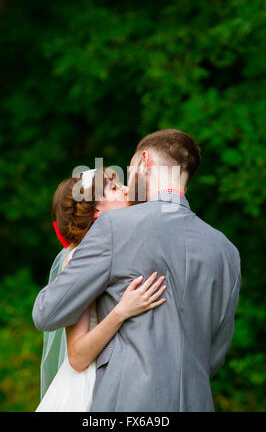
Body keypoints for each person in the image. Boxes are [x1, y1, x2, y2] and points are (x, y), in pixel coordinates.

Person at [33, 129, 241, 412]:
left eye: (128, 172)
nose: (128, 188)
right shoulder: (226, 250)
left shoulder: (115, 227)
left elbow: (46, 313)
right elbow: (215, 355)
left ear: (144, 162)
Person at [36, 168, 165, 411]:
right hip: (88, 390)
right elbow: (77, 357)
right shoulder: (80, 257)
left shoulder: (122, 244)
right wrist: (122, 311)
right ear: (96, 210)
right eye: (115, 188)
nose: (127, 189)